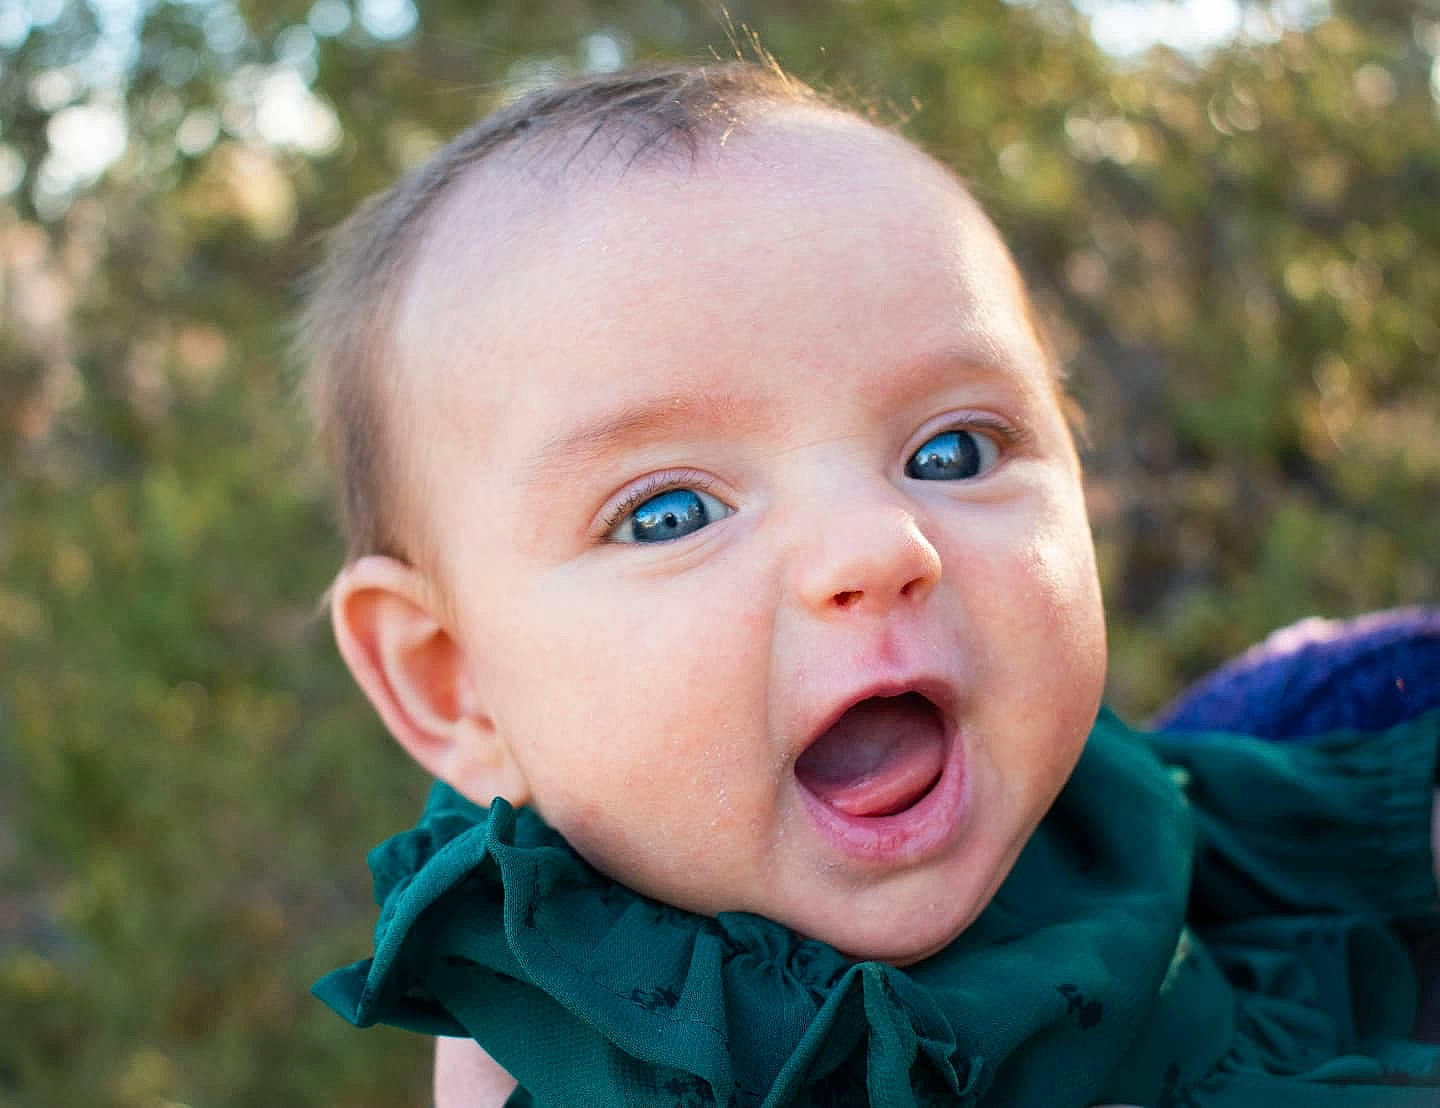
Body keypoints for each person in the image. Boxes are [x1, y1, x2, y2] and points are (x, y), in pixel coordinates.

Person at [301, 60, 1440, 1105]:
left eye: (953, 451)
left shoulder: (1089, 794)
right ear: (454, 685)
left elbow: (1294, 835)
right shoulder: (577, 1035)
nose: (879, 547)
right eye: (670, 513)